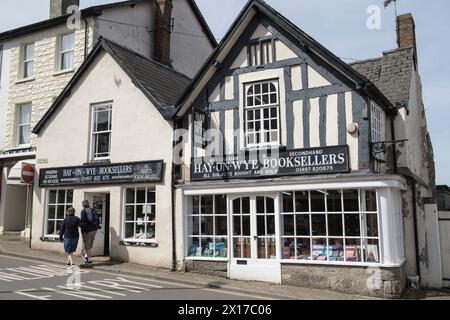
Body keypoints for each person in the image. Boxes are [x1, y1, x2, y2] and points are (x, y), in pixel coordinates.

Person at [80, 200, 100, 265]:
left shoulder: (83, 211)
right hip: (94, 230)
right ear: (88, 204)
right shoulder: (93, 210)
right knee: (90, 244)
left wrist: (82, 229)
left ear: (83, 205)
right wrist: (96, 227)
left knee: (87, 245)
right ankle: (86, 256)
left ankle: (89, 260)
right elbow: (98, 219)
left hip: (87, 231)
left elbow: (83, 222)